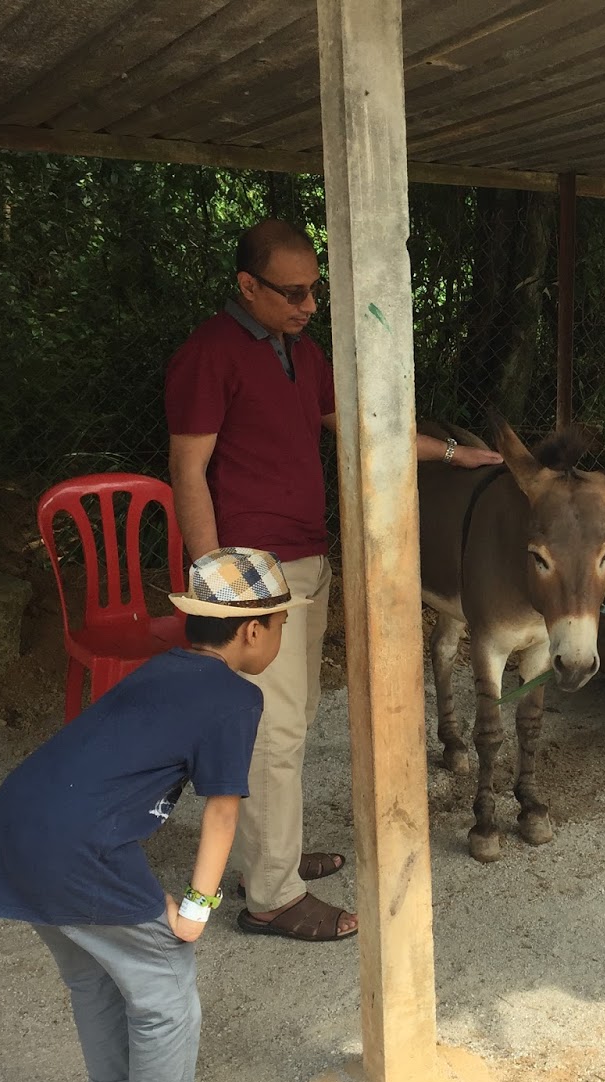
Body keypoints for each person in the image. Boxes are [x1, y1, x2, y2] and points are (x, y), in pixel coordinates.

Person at [166, 218, 499, 942]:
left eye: (314, 291)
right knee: (271, 728)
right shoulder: (210, 353)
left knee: (294, 719)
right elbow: (189, 468)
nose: (309, 305)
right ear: (246, 285)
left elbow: (360, 426)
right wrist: (214, 578)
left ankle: (269, 857)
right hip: (252, 572)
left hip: (306, 558)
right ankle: (270, 898)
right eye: (292, 293)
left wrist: (449, 453)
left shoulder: (300, 352)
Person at [0, 547, 308, 1082]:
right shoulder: (234, 697)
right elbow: (222, 810)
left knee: (93, 972)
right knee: (164, 978)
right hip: (78, 848)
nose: (279, 637)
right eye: (282, 625)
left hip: (13, 827)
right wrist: (197, 908)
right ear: (253, 629)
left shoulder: (160, 669)